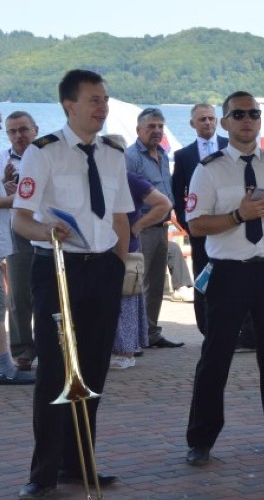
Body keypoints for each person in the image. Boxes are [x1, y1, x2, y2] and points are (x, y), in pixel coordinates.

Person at [13, 69, 134, 497]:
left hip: (103, 269)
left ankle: (81, 464)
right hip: (58, 270)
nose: (103, 107)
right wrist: (46, 231)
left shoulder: (114, 154)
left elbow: (120, 217)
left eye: (105, 99)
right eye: (94, 100)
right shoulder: (43, 153)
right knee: (55, 373)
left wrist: (117, 266)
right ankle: (42, 472)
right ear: (70, 106)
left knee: (94, 371)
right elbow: (20, 218)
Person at [184, 90, 264, 467]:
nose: (246, 120)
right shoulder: (208, 168)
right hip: (229, 274)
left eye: (253, 114)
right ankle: (201, 439)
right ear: (224, 123)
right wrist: (239, 216)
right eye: (238, 114)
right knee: (215, 358)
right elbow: (195, 224)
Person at [103, 135, 172, 369]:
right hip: (100, 247)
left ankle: (127, 352)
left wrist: (138, 225)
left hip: (127, 247)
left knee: (126, 300)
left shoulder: (130, 179)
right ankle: (111, 349)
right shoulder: (97, 179)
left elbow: (164, 203)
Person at [125, 107, 182, 349]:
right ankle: (136, 336)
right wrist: (135, 227)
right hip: (142, 227)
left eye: (160, 126)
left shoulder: (163, 154)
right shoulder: (131, 157)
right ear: (139, 130)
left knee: (157, 283)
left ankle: (152, 332)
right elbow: (127, 196)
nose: (157, 131)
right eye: (151, 126)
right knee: (138, 282)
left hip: (162, 227)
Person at [171, 103, 228, 334]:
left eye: (211, 119)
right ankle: (205, 328)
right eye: (202, 119)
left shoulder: (230, 146)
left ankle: (235, 326)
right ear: (192, 123)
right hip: (200, 229)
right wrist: (189, 226)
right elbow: (177, 195)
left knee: (230, 278)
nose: (207, 123)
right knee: (202, 277)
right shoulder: (183, 156)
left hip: (230, 226)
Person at [1, 111, 39, 370]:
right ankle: (22, 349)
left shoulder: (48, 156)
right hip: (16, 231)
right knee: (18, 294)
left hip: (47, 229)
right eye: (12, 131)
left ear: (35, 129)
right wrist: (8, 190)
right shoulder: (2, 159)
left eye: (23, 129)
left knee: (51, 293)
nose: (18, 136)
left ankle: (51, 347)